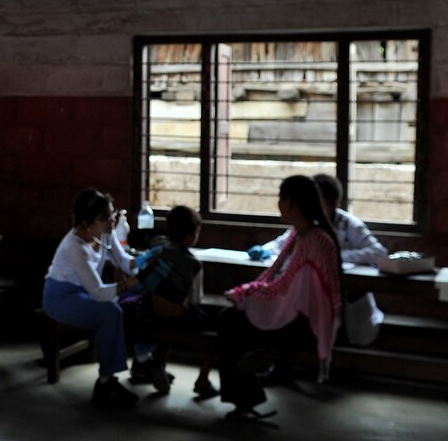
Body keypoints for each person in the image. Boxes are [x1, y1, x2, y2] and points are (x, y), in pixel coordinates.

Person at [217, 175, 342, 421]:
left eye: (281, 199)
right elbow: (272, 277)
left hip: (303, 323)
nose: (279, 204)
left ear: (293, 203)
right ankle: (245, 397)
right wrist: (247, 292)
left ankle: (245, 398)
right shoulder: (300, 235)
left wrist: (244, 294)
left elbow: (283, 286)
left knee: (229, 323)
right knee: (229, 320)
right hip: (290, 313)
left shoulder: (315, 240)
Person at [42, 188, 160, 409]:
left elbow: (124, 262)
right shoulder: (74, 247)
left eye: (112, 214)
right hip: (61, 297)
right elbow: (99, 293)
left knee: (143, 295)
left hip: (85, 292)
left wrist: (145, 260)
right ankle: (106, 382)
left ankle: (143, 358)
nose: (112, 221)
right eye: (105, 217)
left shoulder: (105, 232)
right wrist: (133, 282)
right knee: (110, 312)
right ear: (86, 223)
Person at [248, 173, 386, 344]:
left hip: (346, 305)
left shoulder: (348, 224)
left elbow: (378, 252)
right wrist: (264, 250)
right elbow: (281, 244)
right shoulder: (305, 224)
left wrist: (337, 257)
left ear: (334, 202)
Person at [134, 205, 218, 397]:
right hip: (178, 319)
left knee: (167, 316)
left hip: (151, 314)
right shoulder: (193, 264)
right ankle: (203, 380)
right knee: (217, 326)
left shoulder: (157, 249)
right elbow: (195, 300)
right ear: (190, 236)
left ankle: (159, 367)